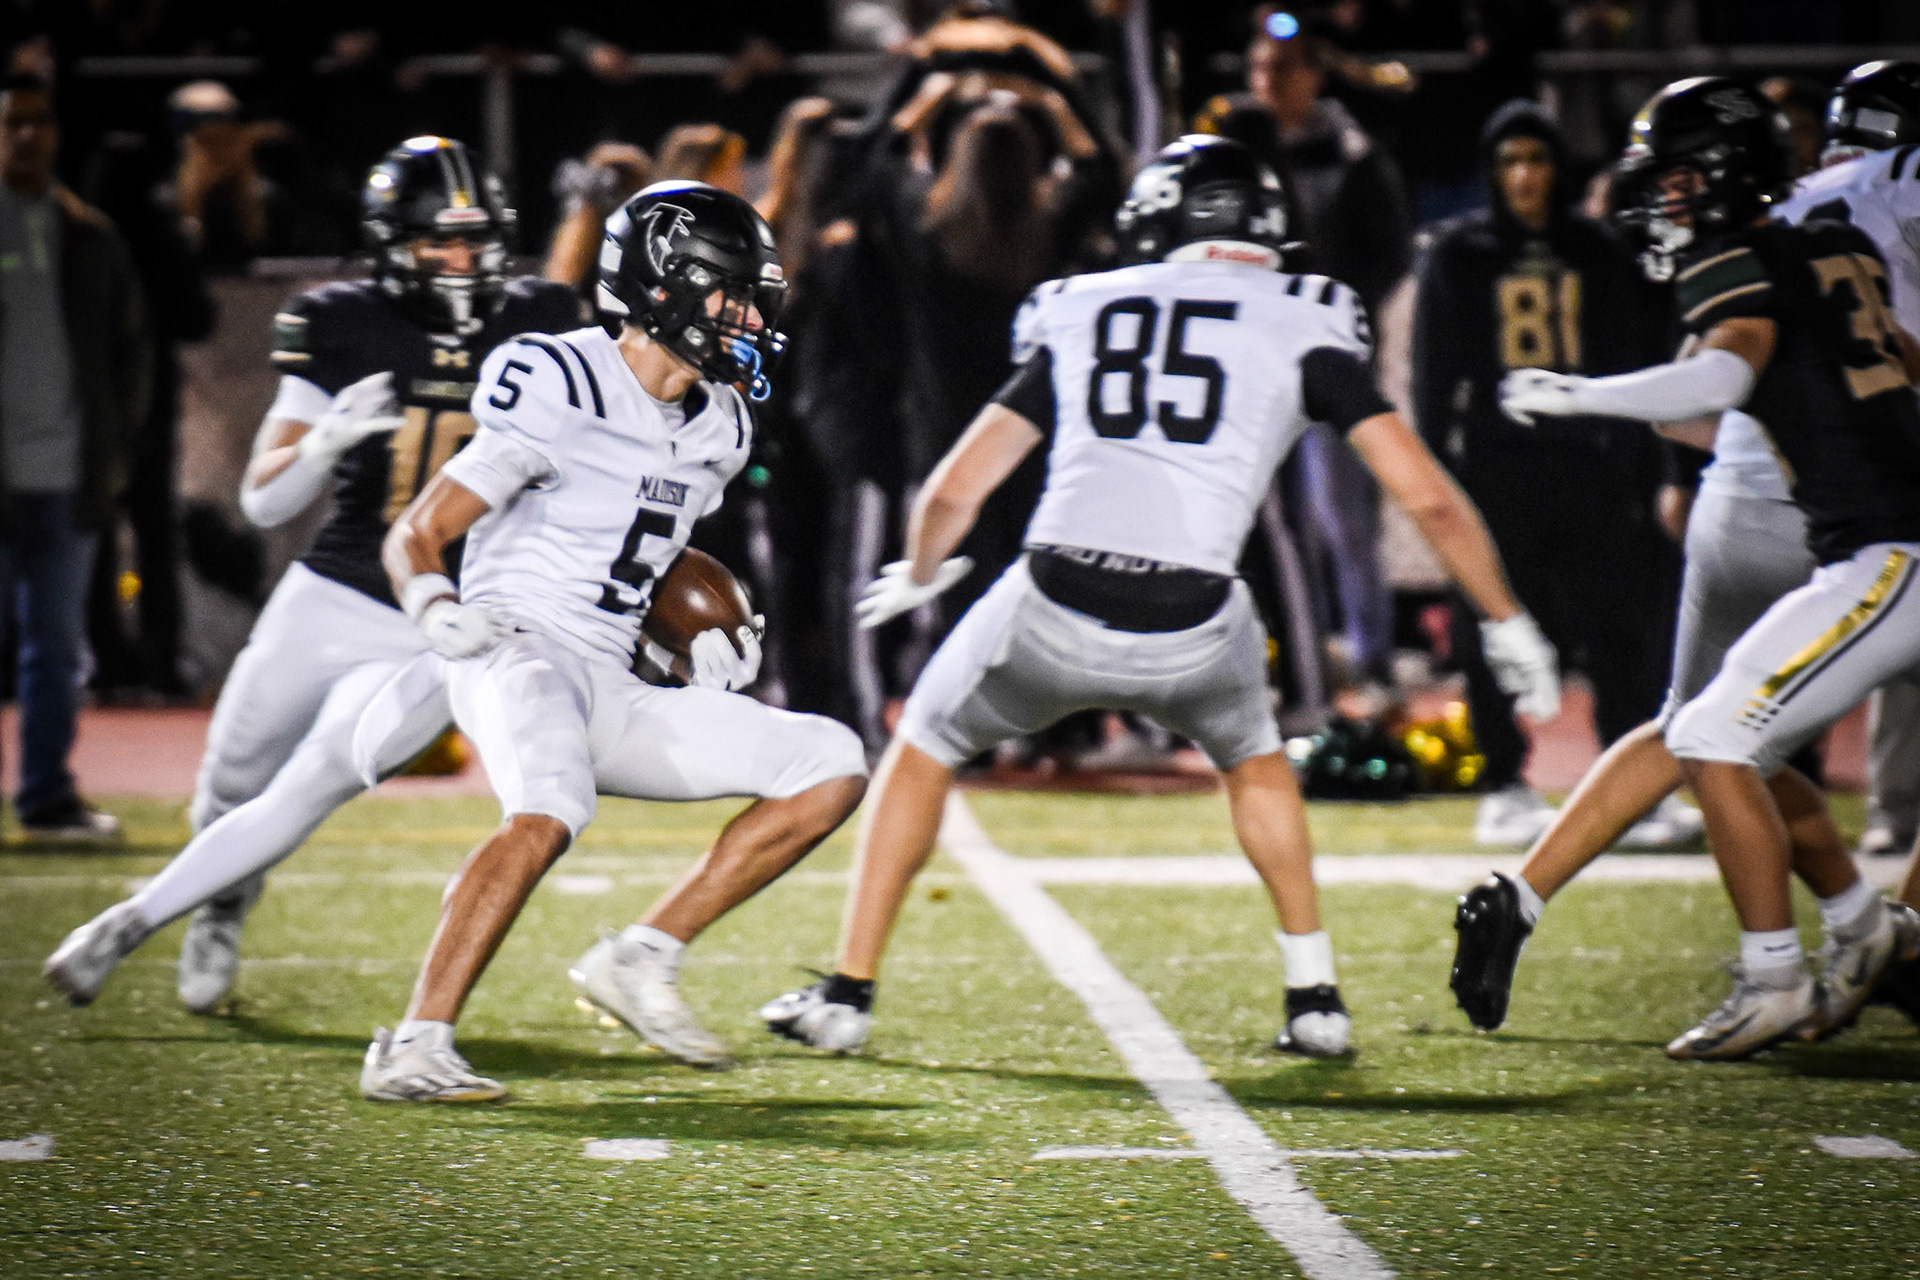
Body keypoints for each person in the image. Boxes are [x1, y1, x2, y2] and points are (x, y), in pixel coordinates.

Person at [759, 136, 1559, 1059]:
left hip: (1053, 601)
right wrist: (1506, 619)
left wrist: (922, 566)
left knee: (924, 744)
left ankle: (848, 992)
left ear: (1157, 222)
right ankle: (1315, 996)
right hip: (1195, 618)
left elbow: (954, 488)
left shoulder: (1083, 305)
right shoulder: (1306, 317)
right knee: (1256, 760)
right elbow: (1427, 497)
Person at [355, 182, 869, 1102]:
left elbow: (646, 552)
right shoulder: (561, 378)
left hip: (608, 676)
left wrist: (698, 639)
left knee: (830, 761)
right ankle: (415, 1045)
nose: (752, 319)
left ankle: (641, 955)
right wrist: (436, 608)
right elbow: (419, 531)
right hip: (515, 646)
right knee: (548, 808)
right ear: (665, 287)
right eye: (734, 295)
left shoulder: (721, 422)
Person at [43, 137, 582, 1012]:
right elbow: (264, 502)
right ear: (390, 244)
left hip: (447, 614)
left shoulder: (545, 318)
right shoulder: (341, 321)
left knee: (317, 776)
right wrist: (324, 442)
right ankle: (222, 906)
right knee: (230, 779)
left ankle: (140, 923)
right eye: (436, 240)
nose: (458, 259)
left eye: (474, 239)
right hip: (336, 590)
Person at [1451, 65, 1920, 1039]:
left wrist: (1579, 393)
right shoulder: (1833, 241)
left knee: (1709, 733)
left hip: (1878, 549)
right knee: (1713, 729)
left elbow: (1713, 381)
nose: (1659, 201)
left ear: (1723, 171)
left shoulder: (1756, 244)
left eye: (1673, 180)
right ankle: (1867, 928)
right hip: (1862, 541)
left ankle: (1789, 970)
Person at [1411, 100, 1688, 849]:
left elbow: (1633, 360)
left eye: (1537, 158)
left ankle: (1630, 787)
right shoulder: (1460, 251)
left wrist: (1647, 467)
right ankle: (1504, 781)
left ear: (1559, 167)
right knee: (1492, 624)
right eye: (1511, 161)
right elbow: (1434, 374)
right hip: (1497, 468)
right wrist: (1435, 473)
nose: (1525, 175)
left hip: (1588, 464)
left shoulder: (1597, 250)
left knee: (1617, 630)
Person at [0, 72, 149, 840]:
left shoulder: (89, 234)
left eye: (38, 121)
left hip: (68, 480)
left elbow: (133, 354)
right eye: (12, 122)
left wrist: (113, 455)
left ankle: (48, 797)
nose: (26, 135)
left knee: (56, 653)